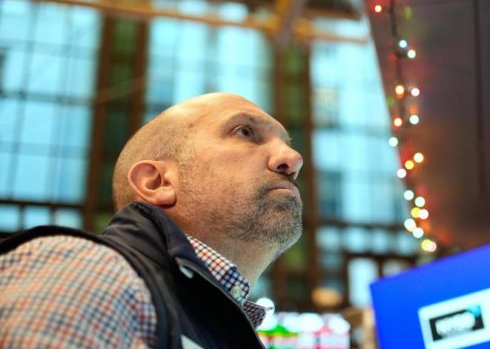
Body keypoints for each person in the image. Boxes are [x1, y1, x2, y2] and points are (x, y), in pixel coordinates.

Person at [0, 93, 304, 348]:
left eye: (286, 143)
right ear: (157, 182)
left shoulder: (222, 322)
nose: (293, 158)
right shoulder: (89, 270)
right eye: (245, 132)